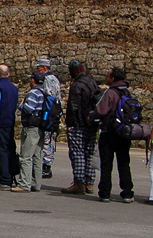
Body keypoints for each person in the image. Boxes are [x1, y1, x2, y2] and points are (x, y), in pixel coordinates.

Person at [92, 68, 135, 203]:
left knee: (106, 164)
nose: (107, 78)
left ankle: (105, 193)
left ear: (113, 78)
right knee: (124, 163)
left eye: (108, 76)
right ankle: (127, 192)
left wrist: (91, 115)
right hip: (124, 132)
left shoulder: (110, 93)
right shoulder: (128, 93)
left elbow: (101, 110)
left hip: (109, 131)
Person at [63, 60, 99, 195]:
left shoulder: (77, 85)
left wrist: (70, 124)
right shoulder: (92, 82)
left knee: (77, 154)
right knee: (89, 153)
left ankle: (79, 183)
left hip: (79, 125)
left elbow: (74, 107)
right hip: (92, 123)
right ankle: (89, 183)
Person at [13, 71, 47, 193]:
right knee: (37, 156)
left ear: (33, 80)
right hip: (41, 127)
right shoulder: (44, 92)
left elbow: (29, 108)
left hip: (31, 127)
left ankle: (24, 184)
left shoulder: (33, 93)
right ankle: (36, 183)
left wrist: (20, 105)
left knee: (25, 156)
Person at [0, 65, 19, 189]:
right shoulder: (14, 88)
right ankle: (12, 173)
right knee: (10, 148)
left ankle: (4, 178)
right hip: (10, 121)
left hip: (0, 122)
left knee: (0, 149)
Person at [34, 58, 60, 178]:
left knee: (46, 140)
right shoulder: (55, 79)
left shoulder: (47, 80)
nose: (37, 69)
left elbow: (48, 96)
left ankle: (46, 166)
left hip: (48, 113)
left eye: (38, 67)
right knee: (50, 139)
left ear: (44, 68)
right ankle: (47, 164)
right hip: (55, 112)